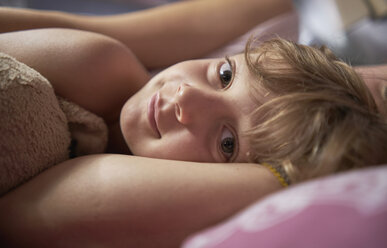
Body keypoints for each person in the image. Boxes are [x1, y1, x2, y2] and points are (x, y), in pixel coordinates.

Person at [0, 0, 386, 247]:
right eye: (223, 75)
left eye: (228, 144)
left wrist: (310, 171)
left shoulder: (140, 206)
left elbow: (30, 215)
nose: (186, 98)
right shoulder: (100, 64)